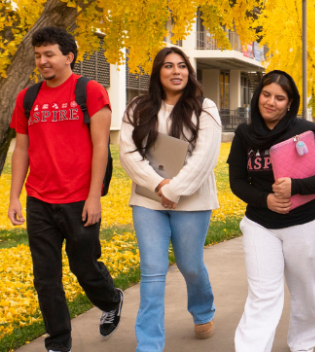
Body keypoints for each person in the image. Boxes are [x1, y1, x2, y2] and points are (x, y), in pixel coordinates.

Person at [4, 26, 123, 352]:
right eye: (38, 55)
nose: (42, 61)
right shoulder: (27, 98)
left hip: (79, 199)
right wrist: (15, 196)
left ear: (68, 56)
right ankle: (59, 342)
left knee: (84, 267)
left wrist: (93, 196)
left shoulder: (91, 91)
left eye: (49, 54)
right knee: (45, 278)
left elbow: (102, 147)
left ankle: (111, 299)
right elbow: (21, 149)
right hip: (39, 199)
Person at [117, 46, 223, 350]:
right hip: (149, 201)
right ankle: (149, 344)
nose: (176, 71)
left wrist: (174, 190)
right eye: (168, 66)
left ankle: (203, 310)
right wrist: (159, 186)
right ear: (157, 72)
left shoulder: (205, 108)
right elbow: (128, 154)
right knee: (152, 272)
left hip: (192, 201)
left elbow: (205, 158)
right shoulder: (137, 108)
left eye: (182, 66)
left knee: (190, 266)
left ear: (189, 72)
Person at [227, 70, 315, 352]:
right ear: (258, 96)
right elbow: (237, 182)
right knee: (263, 294)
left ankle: (304, 343)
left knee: (303, 290)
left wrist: (296, 186)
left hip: (305, 224)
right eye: (266, 95)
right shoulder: (244, 134)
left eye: (279, 98)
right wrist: (266, 200)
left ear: (289, 103)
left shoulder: (308, 132)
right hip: (260, 225)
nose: (271, 102)